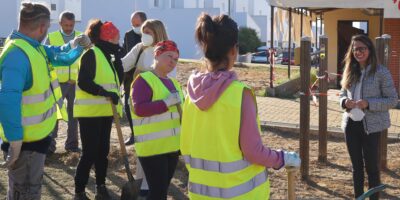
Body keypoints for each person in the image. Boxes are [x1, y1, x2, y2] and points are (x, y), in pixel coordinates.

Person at [180, 13, 301, 199]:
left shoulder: (191, 94)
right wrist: (282, 158)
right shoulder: (240, 94)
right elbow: (253, 152)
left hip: (200, 194)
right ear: (233, 50)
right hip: (242, 194)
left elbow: (186, 147)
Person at [0, 3, 90, 199]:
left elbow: (61, 55)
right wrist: (14, 140)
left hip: (35, 139)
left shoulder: (34, 47)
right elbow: (7, 99)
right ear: (42, 27)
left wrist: (76, 45)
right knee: (24, 193)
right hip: (25, 144)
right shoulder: (17, 54)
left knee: (29, 191)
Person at [339, 34, 398, 200]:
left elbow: (392, 100)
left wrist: (369, 103)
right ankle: (359, 197)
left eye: (362, 48)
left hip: (371, 127)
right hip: (351, 125)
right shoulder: (350, 69)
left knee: (372, 168)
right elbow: (342, 93)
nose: (359, 52)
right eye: (355, 49)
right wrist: (344, 102)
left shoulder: (381, 72)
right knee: (356, 167)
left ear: (370, 50)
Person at [73, 19, 124, 200]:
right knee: (90, 152)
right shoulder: (92, 54)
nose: (120, 39)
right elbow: (83, 82)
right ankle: (79, 190)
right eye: (117, 36)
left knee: (103, 151)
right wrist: (105, 92)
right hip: (89, 113)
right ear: (109, 38)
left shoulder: (108, 55)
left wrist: (118, 59)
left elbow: (117, 79)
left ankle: (100, 186)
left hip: (105, 111)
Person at [121, 18, 170, 197]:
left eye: (149, 32)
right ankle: (142, 181)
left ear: (158, 33)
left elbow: (171, 75)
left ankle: (156, 181)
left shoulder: (167, 50)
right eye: (143, 32)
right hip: (139, 102)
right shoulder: (140, 48)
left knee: (158, 142)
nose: (145, 36)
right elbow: (124, 63)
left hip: (160, 102)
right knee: (143, 141)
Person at [130, 40, 182, 200]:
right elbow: (139, 109)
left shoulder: (174, 82)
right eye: (169, 56)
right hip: (152, 148)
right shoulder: (143, 80)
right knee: (158, 193)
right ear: (157, 55)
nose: (172, 62)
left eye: (175, 59)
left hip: (172, 147)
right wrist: (166, 103)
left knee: (160, 191)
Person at [46, 11, 82, 154]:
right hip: (57, 84)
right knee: (54, 115)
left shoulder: (80, 37)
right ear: (60, 23)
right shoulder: (51, 37)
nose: (69, 28)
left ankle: (72, 145)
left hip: (75, 83)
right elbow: (46, 59)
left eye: (71, 25)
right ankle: (50, 146)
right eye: (66, 25)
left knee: (74, 115)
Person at [123, 11, 147, 146]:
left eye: (137, 25)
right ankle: (134, 134)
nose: (135, 27)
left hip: (147, 77)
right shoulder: (128, 35)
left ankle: (144, 134)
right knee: (128, 105)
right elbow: (126, 55)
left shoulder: (152, 36)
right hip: (130, 77)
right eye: (133, 25)